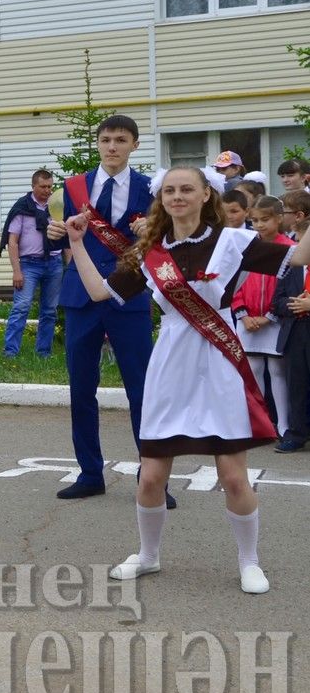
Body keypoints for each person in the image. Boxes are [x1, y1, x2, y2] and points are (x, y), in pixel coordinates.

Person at [65, 166, 310, 594]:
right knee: (151, 475)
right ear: (161, 198)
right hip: (171, 363)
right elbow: (101, 293)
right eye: (170, 190)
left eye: (187, 189)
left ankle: (249, 562)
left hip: (220, 362)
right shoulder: (149, 251)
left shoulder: (233, 241)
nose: (177, 196)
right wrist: (76, 243)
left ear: (205, 196)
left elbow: (300, 257)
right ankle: (148, 555)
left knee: (234, 476)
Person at [49, 115, 164, 503]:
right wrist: (55, 234)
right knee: (82, 389)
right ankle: (89, 473)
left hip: (129, 296)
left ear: (134, 145)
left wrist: (152, 230)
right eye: (106, 139)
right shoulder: (74, 186)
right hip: (81, 296)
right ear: (97, 144)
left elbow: (164, 240)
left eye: (120, 140)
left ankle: (152, 479)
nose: (112, 146)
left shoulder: (152, 188)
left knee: (141, 390)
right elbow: (59, 235)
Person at [233, 196, 293, 438]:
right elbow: (233, 284)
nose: (258, 225)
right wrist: (243, 314)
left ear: (279, 218)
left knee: (278, 372)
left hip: (275, 320)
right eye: (254, 220)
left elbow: (288, 286)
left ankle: (284, 424)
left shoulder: (288, 248)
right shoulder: (247, 246)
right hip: (247, 320)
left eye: (265, 220)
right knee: (253, 370)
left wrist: (270, 316)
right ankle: (260, 423)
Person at [1, 169, 64, 358]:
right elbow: (12, 241)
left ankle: (43, 352)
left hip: (54, 263)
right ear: (33, 186)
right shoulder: (23, 206)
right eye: (43, 187)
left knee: (50, 311)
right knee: (21, 307)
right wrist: (16, 271)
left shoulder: (58, 206)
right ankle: (10, 352)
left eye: (50, 187)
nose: (47, 190)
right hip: (29, 264)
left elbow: (66, 237)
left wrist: (69, 267)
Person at [272, 204, 310, 452]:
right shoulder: (293, 266)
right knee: (297, 383)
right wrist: (296, 305)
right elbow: (277, 300)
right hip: (297, 330)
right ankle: (297, 433)